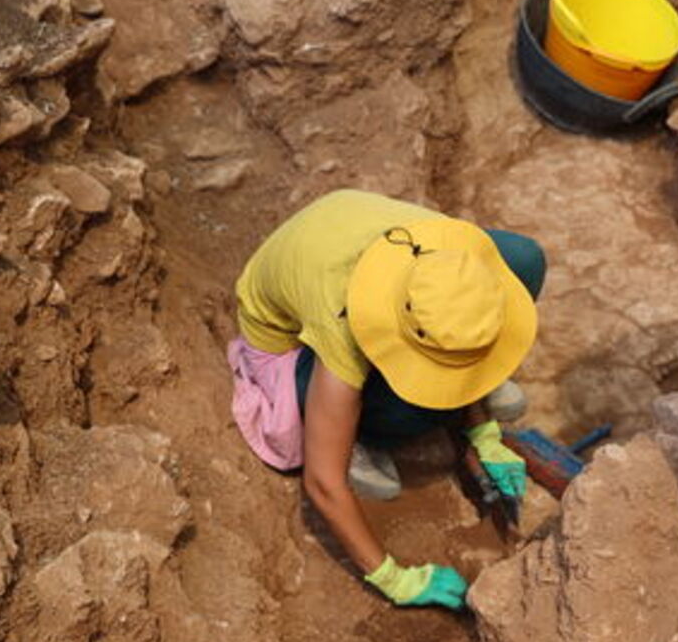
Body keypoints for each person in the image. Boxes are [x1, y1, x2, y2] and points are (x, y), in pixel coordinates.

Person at [226, 190, 542, 611]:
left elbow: (449, 317)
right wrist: (395, 579)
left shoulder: (451, 256)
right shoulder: (348, 325)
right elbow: (323, 483)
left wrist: (485, 434)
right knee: (413, 409)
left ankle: (464, 358)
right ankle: (353, 435)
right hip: (293, 345)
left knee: (522, 259)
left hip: (346, 243)